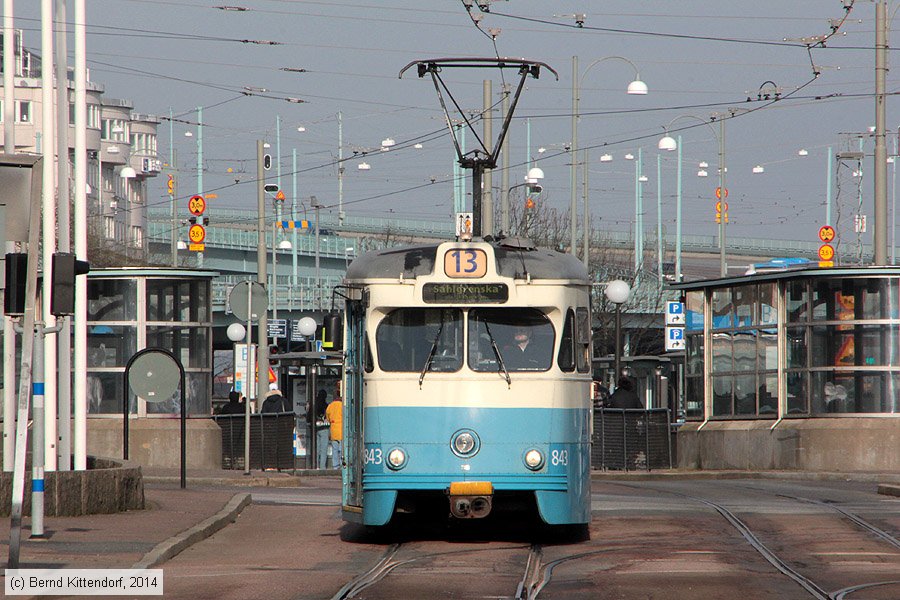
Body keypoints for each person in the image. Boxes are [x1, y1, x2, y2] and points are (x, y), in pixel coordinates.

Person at [311, 389, 330, 469]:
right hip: (324, 428)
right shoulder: (326, 405)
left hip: (315, 428)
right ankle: (322, 467)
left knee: (317, 448)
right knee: (323, 449)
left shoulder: (314, 404)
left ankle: (316, 466)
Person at [325, 394, 343, 468]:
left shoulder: (330, 406)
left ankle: (335, 466)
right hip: (342, 430)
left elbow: (327, 416)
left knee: (335, 450)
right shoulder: (342, 405)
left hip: (333, 430)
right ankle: (342, 465)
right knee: (342, 450)